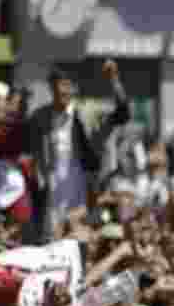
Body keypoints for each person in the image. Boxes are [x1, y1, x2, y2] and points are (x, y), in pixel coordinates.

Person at [25, 60, 131, 241]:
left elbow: (123, 114)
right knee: (51, 237)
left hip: (82, 185)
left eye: (68, 86)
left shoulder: (87, 114)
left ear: (74, 89)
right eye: (60, 86)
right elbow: (31, 148)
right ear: (52, 89)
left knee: (79, 236)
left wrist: (114, 80)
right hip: (51, 187)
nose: (64, 91)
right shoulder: (40, 117)